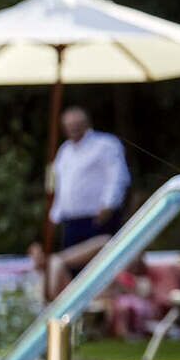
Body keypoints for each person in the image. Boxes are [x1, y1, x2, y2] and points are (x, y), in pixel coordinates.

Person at [43, 104, 130, 285]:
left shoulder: (105, 144)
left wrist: (109, 205)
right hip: (71, 223)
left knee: (99, 269)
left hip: (97, 220)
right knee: (72, 272)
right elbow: (60, 184)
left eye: (76, 124)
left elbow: (117, 177)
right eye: (69, 125)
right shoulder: (64, 151)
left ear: (86, 123)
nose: (73, 128)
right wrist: (54, 215)